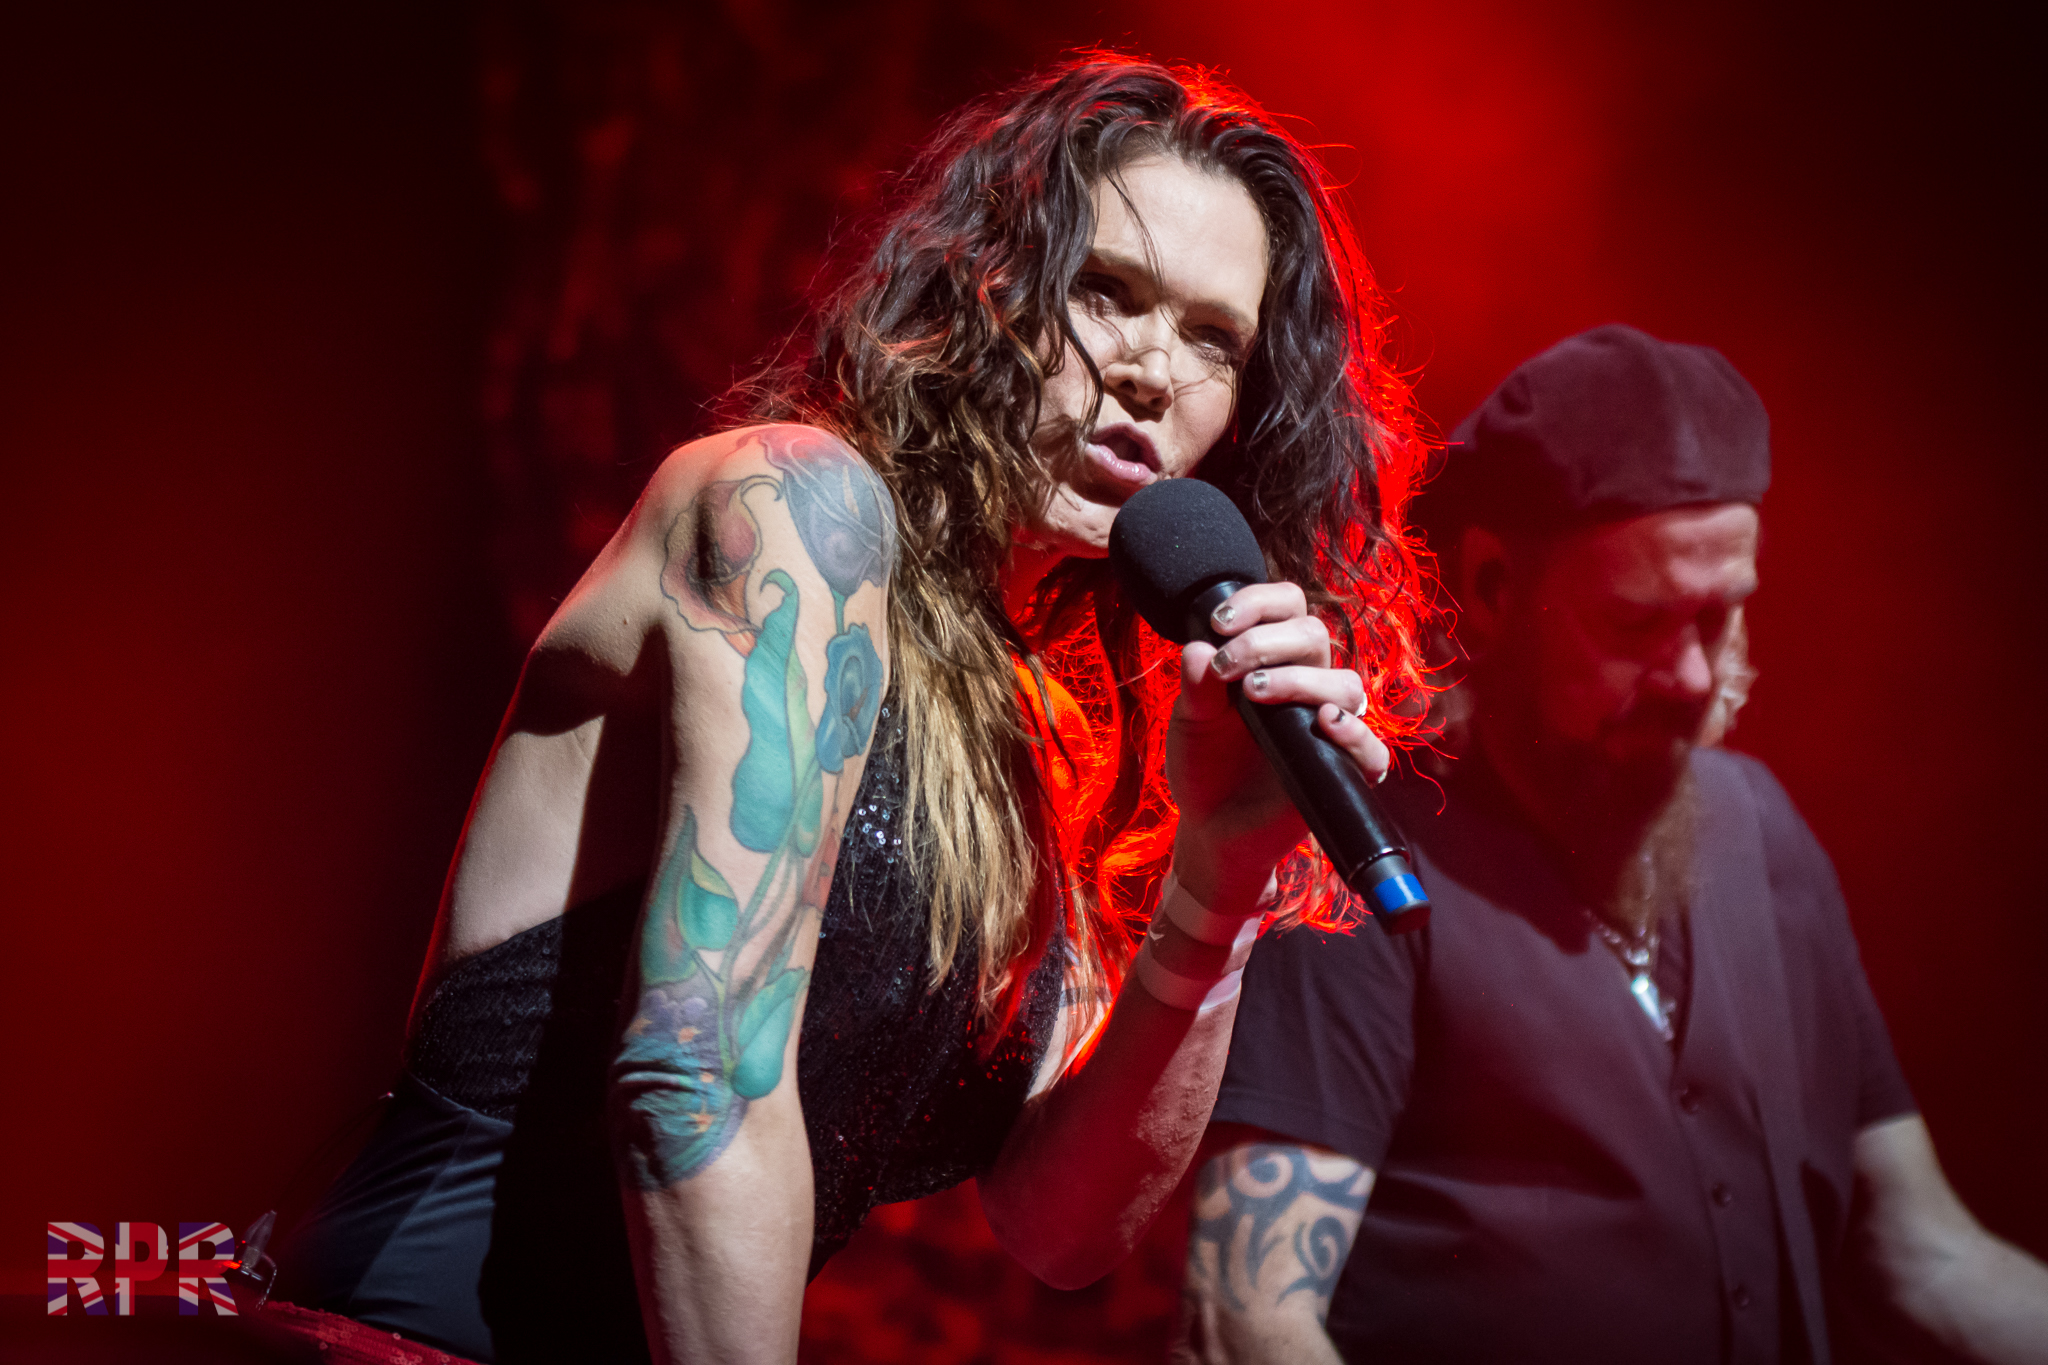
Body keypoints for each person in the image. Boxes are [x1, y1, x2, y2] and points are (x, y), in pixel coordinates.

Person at [273, 54, 1434, 1365]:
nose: (1154, 373)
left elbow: (1059, 1225)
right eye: (1106, 292)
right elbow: (695, 1077)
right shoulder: (790, 510)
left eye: (1214, 339)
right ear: (989, 284)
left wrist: (1218, 889)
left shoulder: (1050, 739)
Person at [1180, 324, 2048, 1364]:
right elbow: (1246, 1322)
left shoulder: (1764, 832)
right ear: (1492, 587)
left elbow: (1921, 1255)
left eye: (1720, 618)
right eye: (1637, 624)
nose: (1692, 677)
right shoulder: (1358, 862)